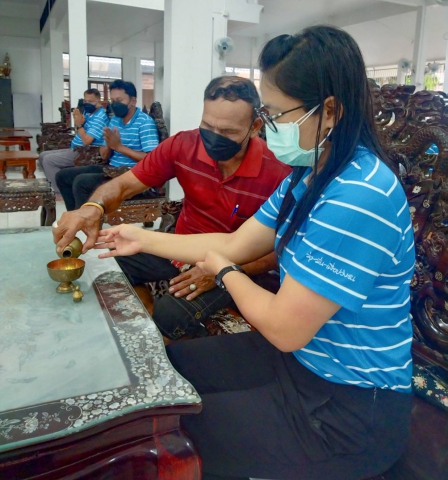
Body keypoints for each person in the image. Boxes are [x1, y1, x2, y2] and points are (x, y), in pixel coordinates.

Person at [88, 26, 415, 480]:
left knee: (165, 434)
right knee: (167, 371)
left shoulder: (359, 195)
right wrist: (139, 238)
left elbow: (283, 327)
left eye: (277, 114)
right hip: (299, 364)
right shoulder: (309, 174)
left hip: (346, 410)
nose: (271, 126)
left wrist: (225, 272)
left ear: (330, 111)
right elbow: (232, 243)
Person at [53, 76, 291, 343]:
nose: (214, 137)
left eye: (227, 132)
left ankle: (167, 346)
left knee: (171, 313)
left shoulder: (279, 173)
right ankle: (145, 327)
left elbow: (280, 250)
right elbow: (124, 184)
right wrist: (92, 207)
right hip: (178, 248)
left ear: (255, 126)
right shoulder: (184, 145)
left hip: (232, 263)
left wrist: (224, 271)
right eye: (207, 126)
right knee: (106, 262)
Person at [56, 80, 159, 211]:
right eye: (113, 100)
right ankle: (75, 216)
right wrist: (109, 144)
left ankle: (86, 220)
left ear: (133, 101)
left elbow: (152, 160)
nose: (115, 104)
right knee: (62, 176)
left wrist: (119, 147)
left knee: (81, 182)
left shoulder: (145, 122)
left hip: (133, 175)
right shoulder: (115, 119)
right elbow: (104, 156)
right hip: (112, 169)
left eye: (119, 100)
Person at [39, 88, 108, 198]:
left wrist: (79, 124)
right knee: (43, 155)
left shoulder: (100, 117)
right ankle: (57, 186)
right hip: (76, 147)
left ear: (99, 102)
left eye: (90, 101)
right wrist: (78, 123)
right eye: (85, 101)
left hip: (85, 152)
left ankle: (59, 194)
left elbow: (86, 141)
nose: (87, 103)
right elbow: (78, 132)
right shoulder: (88, 112)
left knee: (48, 160)